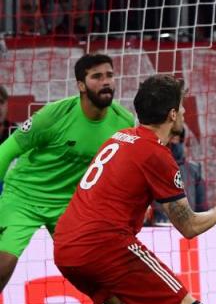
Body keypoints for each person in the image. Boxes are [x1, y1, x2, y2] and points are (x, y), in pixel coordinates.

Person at [54, 74, 216, 304]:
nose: (184, 112)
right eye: (181, 106)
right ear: (172, 114)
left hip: (65, 247)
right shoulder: (156, 154)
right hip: (104, 247)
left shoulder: (119, 138)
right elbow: (189, 226)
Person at [0, 54, 134, 290]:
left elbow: (124, 171)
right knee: (3, 264)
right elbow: (6, 150)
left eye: (110, 75)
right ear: (81, 85)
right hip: (23, 196)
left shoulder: (123, 123)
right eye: (97, 77)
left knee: (94, 273)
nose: (106, 82)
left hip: (70, 206)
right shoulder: (54, 115)